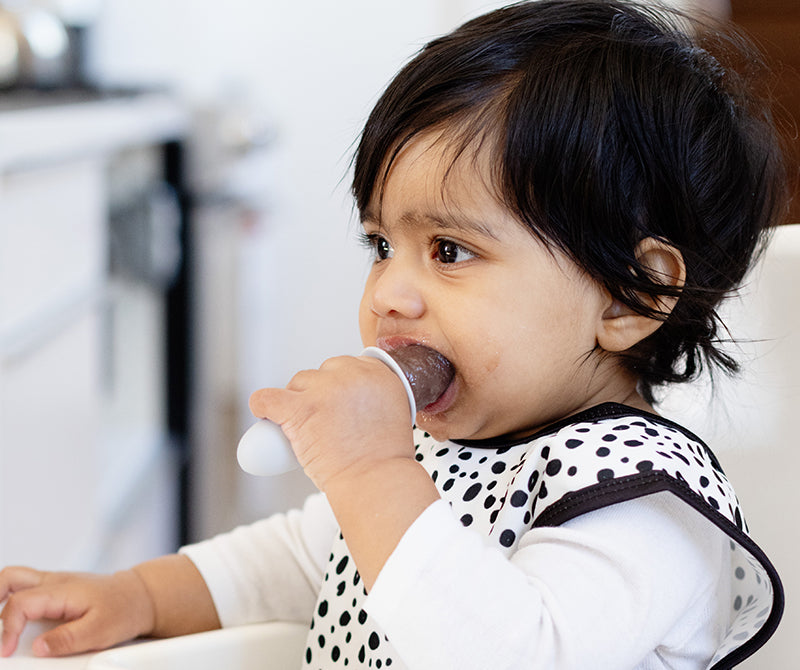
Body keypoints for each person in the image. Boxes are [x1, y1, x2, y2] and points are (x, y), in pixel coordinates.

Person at [0, 1, 789, 667]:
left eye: (450, 251)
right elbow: (301, 558)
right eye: (381, 246)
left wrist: (370, 469)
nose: (388, 295)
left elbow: (510, 653)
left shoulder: (642, 504)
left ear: (628, 295)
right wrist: (135, 596)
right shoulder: (445, 456)